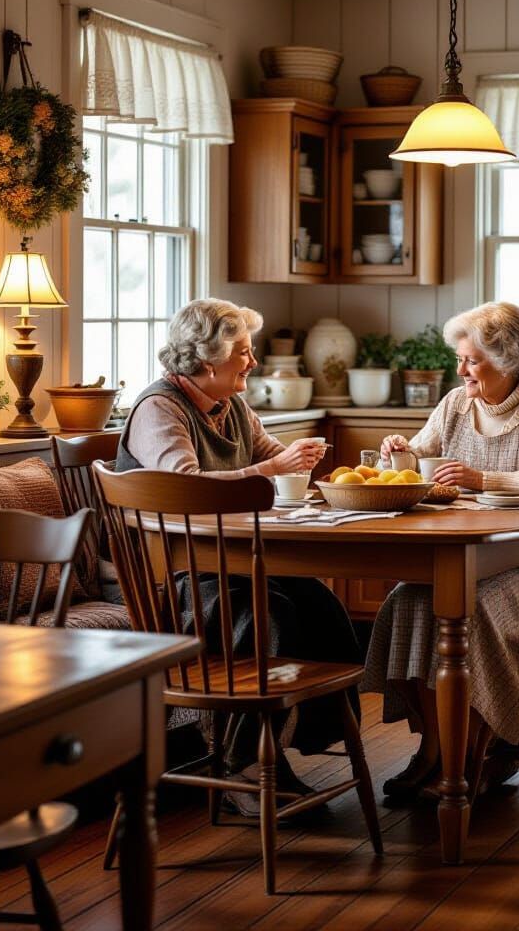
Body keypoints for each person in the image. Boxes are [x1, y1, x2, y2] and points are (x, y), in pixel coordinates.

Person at [116, 297, 361, 807]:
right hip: (174, 574)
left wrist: (300, 459)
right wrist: (273, 471)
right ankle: (242, 761)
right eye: (244, 352)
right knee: (270, 613)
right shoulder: (158, 409)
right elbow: (185, 488)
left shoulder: (231, 405)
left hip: (229, 561)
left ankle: (283, 748)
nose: (252, 362)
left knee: (319, 604)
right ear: (208, 358)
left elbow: (270, 455)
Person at [361, 301, 519, 799]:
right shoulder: (455, 404)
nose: (460, 369)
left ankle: (474, 754)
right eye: (460, 358)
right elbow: (421, 454)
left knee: (472, 610)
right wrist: (399, 452)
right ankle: (436, 752)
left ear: (506, 360)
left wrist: (484, 478)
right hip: (465, 558)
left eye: (471, 360)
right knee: (408, 601)